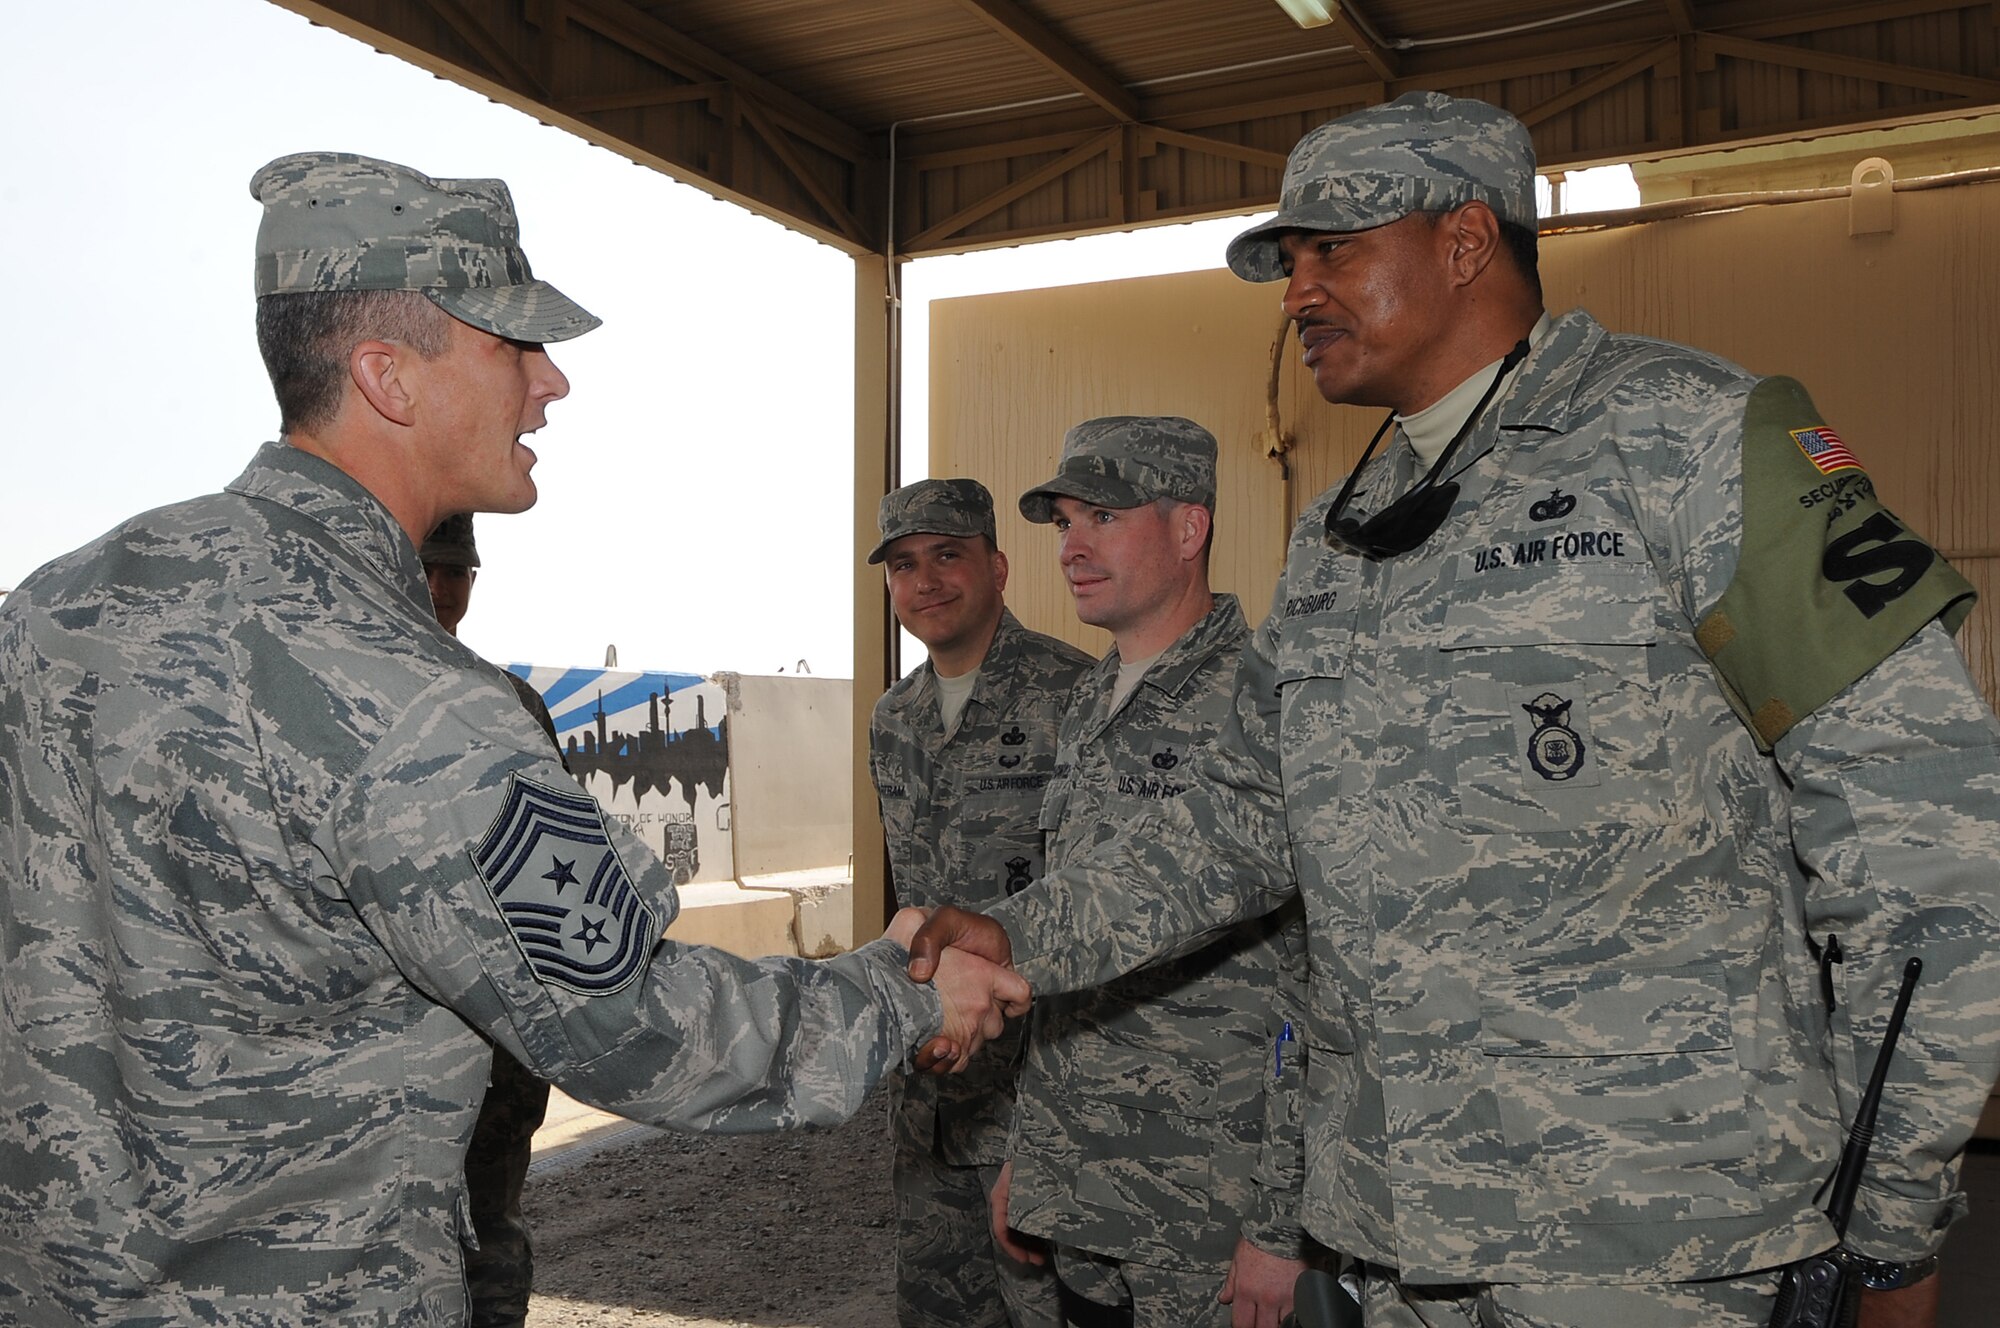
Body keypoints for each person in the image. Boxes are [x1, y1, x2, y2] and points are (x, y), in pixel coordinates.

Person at [911, 92, 2000, 1328]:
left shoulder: (1690, 438)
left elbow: (1929, 838)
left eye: (1333, 251)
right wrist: (1020, 936)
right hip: (1392, 1238)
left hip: (1644, 1238)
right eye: (1287, 262)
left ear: (1464, 242)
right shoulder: (1346, 530)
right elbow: (1235, 817)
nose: (1295, 292)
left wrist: (1891, 1219)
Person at [0, 151, 1025, 1325]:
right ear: (386, 375)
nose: (551, 385)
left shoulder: (52, 608)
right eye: (511, 345)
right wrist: (899, 1002)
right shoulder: (405, 695)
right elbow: (627, 1019)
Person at [999, 415, 1314, 1328]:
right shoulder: (1091, 696)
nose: (1073, 546)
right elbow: (1066, 950)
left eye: (1103, 514)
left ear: (1189, 528)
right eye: (1063, 523)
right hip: (1085, 1204)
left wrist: (1284, 1226)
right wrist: (1032, 1158)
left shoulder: (1262, 705)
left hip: (1212, 1223)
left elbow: (1317, 982)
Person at [867, 477, 1083, 1328]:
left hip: (1041, 1082)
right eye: (905, 565)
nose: (925, 581)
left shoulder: (1077, 697)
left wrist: (1060, 1121)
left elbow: (1095, 911)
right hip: (932, 1090)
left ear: (997, 566)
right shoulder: (894, 718)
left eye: (949, 556)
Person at [419, 512, 561, 1328]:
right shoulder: (344, 694)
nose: (442, 587)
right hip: (391, 1038)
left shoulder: (511, 707)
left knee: (489, 1235)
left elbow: (553, 867)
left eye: (457, 572)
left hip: (495, 1041)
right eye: (429, 568)